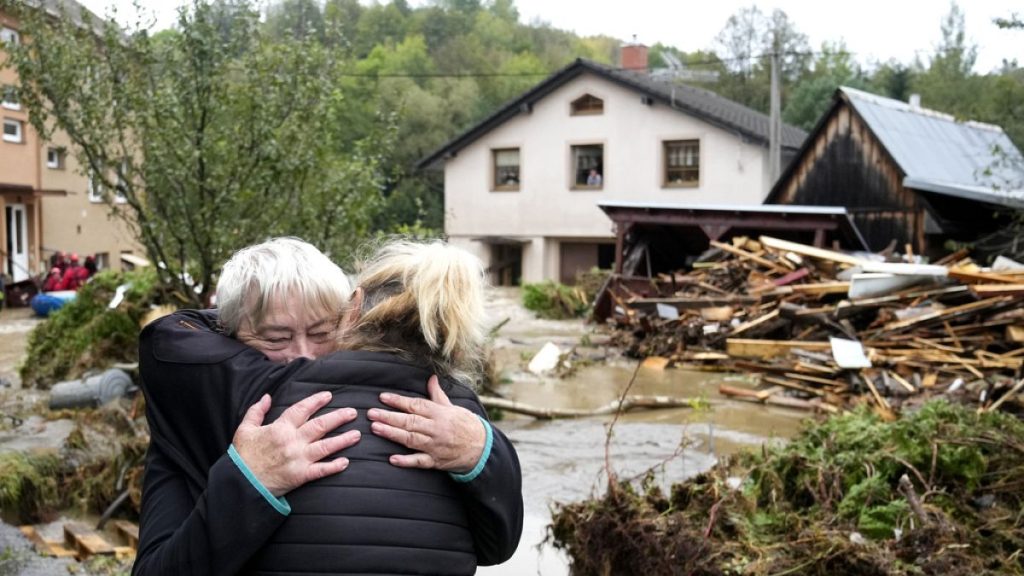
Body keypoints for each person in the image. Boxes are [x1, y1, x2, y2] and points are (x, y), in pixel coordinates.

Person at [134, 238, 522, 575]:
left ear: (350, 317)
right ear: (225, 335)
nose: (303, 357)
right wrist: (249, 481)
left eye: (322, 333)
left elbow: (494, 545)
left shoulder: (450, 418)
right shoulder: (196, 407)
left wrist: (481, 452)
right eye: (276, 338)